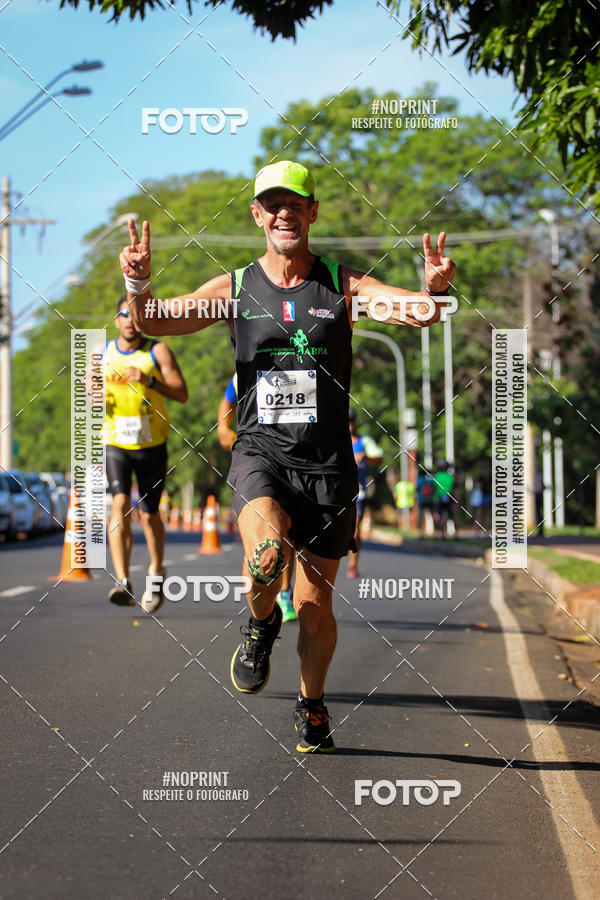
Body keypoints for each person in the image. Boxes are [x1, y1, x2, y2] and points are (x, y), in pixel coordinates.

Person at [119, 160, 455, 752]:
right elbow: (154, 320)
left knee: (314, 601)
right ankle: (259, 622)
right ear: (257, 216)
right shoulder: (236, 289)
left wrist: (434, 291)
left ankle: (312, 704)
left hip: (327, 466)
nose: (283, 213)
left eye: (294, 204)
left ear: (312, 212)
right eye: (272, 204)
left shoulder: (341, 285)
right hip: (261, 453)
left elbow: (414, 311)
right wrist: (139, 284)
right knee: (266, 555)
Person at [92, 297, 188, 613]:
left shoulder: (156, 351)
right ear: (116, 320)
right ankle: (122, 580)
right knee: (119, 502)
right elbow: (87, 395)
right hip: (115, 441)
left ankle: (156, 573)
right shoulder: (102, 353)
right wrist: (94, 396)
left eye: (136, 315)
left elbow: (181, 393)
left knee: (149, 514)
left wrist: (149, 380)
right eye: (124, 314)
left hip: (152, 442)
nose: (130, 321)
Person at [218, 374, 297, 622]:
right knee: (267, 534)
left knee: (288, 534)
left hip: (301, 457)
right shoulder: (250, 362)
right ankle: (261, 621)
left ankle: (284, 592)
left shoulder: (309, 355)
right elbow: (228, 399)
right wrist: (222, 426)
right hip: (259, 455)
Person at [347, 409, 383, 578]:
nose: (350, 424)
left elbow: (379, 459)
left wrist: (366, 457)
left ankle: (353, 564)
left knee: (355, 529)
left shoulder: (364, 440)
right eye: (347, 421)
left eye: (352, 420)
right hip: (336, 493)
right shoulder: (335, 439)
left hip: (358, 491)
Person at [433, 459, 455, 538]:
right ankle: (456, 534)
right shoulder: (450, 477)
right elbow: (453, 487)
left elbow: (433, 488)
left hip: (438, 498)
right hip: (449, 497)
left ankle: (442, 534)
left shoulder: (436, 476)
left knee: (439, 516)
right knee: (451, 516)